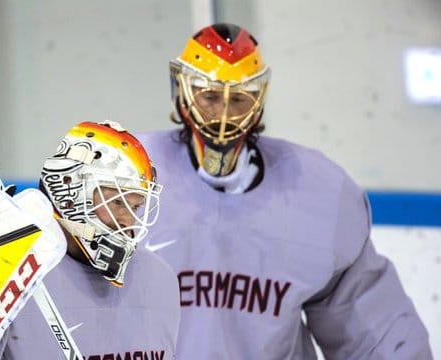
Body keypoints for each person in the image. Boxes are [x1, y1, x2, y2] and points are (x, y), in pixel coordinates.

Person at [137, 23, 432, 359]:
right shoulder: (127, 176)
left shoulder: (317, 192)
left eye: (239, 100)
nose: (223, 114)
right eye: (210, 97)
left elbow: (374, 332)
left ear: (258, 99)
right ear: (184, 89)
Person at [0, 121, 180, 359]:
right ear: (70, 189)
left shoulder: (159, 280)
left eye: (137, 206)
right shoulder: (10, 264)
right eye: (119, 203)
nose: (129, 221)